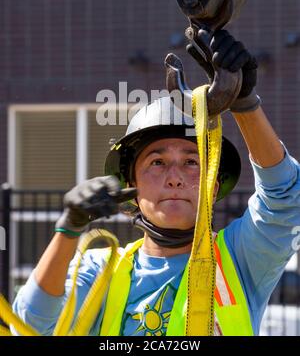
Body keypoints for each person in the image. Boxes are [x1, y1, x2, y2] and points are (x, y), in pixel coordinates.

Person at [13, 30, 300, 336]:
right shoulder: (101, 270)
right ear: (131, 187)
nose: (174, 178)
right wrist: (68, 229)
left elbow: (285, 199)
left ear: (213, 187)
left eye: (191, 162)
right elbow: (30, 326)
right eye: (157, 162)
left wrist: (244, 103)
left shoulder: (241, 260)